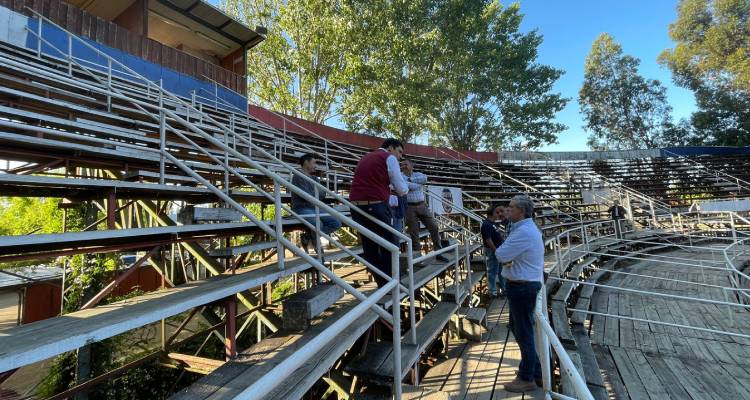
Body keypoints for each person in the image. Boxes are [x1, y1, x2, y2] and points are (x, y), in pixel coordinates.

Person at [496, 195, 544, 393]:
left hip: (522, 287)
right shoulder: (524, 228)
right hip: (523, 284)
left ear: (521, 211)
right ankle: (538, 371)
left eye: (511, 207)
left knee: (524, 331)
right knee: (519, 328)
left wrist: (506, 254)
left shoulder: (523, 231)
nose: (508, 210)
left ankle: (527, 377)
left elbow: (501, 254)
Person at [349, 139, 408, 287]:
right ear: (390, 148)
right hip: (376, 206)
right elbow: (401, 189)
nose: (400, 156)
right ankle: (394, 283)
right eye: (399, 152)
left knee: (370, 248)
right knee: (391, 245)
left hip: (356, 207)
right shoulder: (389, 158)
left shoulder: (366, 157)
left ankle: (382, 283)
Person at [291, 153, 341, 252]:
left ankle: (309, 236)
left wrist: (314, 194)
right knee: (318, 223)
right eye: (314, 163)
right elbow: (305, 196)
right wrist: (315, 193)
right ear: (306, 162)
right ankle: (316, 243)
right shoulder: (297, 176)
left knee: (336, 223)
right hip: (301, 208)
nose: (316, 166)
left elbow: (323, 195)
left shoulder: (315, 179)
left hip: (315, 207)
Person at [402, 159, 447, 262]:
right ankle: (417, 258)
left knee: (434, 227)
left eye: (406, 164)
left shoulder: (418, 174)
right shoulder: (400, 176)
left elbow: (425, 179)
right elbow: (409, 187)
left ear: (411, 166)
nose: (403, 166)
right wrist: (417, 183)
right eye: (402, 164)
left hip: (422, 205)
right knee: (414, 233)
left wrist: (411, 180)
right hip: (409, 207)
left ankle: (438, 253)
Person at [480, 203, 506, 297]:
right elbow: (488, 240)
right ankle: (492, 292)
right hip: (492, 251)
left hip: (497, 250)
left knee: (500, 271)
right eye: (496, 212)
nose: (498, 214)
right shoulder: (486, 224)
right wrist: (496, 250)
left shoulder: (492, 223)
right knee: (492, 271)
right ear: (492, 213)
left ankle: (504, 289)